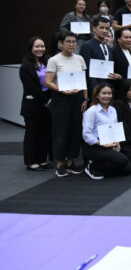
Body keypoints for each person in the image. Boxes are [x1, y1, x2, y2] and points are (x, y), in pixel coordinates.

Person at [44, 31, 88, 177]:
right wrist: (62, 90)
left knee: (75, 131)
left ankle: (70, 162)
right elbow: (48, 82)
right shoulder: (54, 60)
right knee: (60, 132)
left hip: (77, 98)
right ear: (61, 44)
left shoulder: (80, 58)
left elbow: (83, 81)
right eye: (68, 41)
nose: (71, 44)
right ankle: (60, 163)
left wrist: (85, 99)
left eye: (74, 42)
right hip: (61, 99)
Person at [81, 83, 131, 179]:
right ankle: (92, 168)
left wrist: (117, 142)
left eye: (109, 93)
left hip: (109, 143)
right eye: (104, 93)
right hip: (94, 146)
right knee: (121, 160)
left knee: (128, 169)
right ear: (97, 95)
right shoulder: (91, 111)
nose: (107, 96)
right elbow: (86, 134)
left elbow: (114, 128)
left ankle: (101, 162)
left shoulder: (113, 110)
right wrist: (101, 144)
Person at [19, 36, 52, 171]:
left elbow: (51, 81)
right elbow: (31, 87)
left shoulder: (47, 62)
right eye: (37, 46)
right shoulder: (25, 66)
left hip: (47, 104)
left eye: (42, 46)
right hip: (33, 105)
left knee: (44, 133)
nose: (40, 49)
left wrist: (50, 98)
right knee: (32, 134)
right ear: (31, 48)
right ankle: (31, 162)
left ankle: (42, 159)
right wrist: (46, 100)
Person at [80, 16, 121, 93]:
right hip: (95, 90)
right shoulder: (87, 46)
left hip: (108, 89)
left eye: (107, 28)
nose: (104, 31)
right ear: (94, 28)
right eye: (101, 28)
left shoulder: (108, 47)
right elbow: (87, 71)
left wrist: (116, 76)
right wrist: (95, 90)